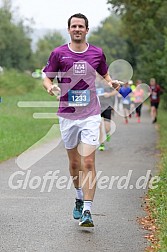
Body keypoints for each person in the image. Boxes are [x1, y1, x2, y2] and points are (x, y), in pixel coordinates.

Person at [43, 13, 120, 227]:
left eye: (81, 26)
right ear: (69, 30)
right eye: (74, 26)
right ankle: (78, 196)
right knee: (74, 163)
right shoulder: (58, 53)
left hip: (90, 114)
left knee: (88, 161)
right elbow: (47, 76)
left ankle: (87, 210)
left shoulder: (97, 53)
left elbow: (105, 74)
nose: (77, 29)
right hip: (67, 115)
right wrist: (50, 87)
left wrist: (112, 82)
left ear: (87, 30)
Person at [96, 74, 116, 151]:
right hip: (98, 107)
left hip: (107, 107)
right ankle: (102, 144)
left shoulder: (109, 82)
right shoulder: (96, 83)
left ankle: (108, 133)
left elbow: (117, 90)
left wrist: (109, 94)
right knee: (99, 126)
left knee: (107, 128)